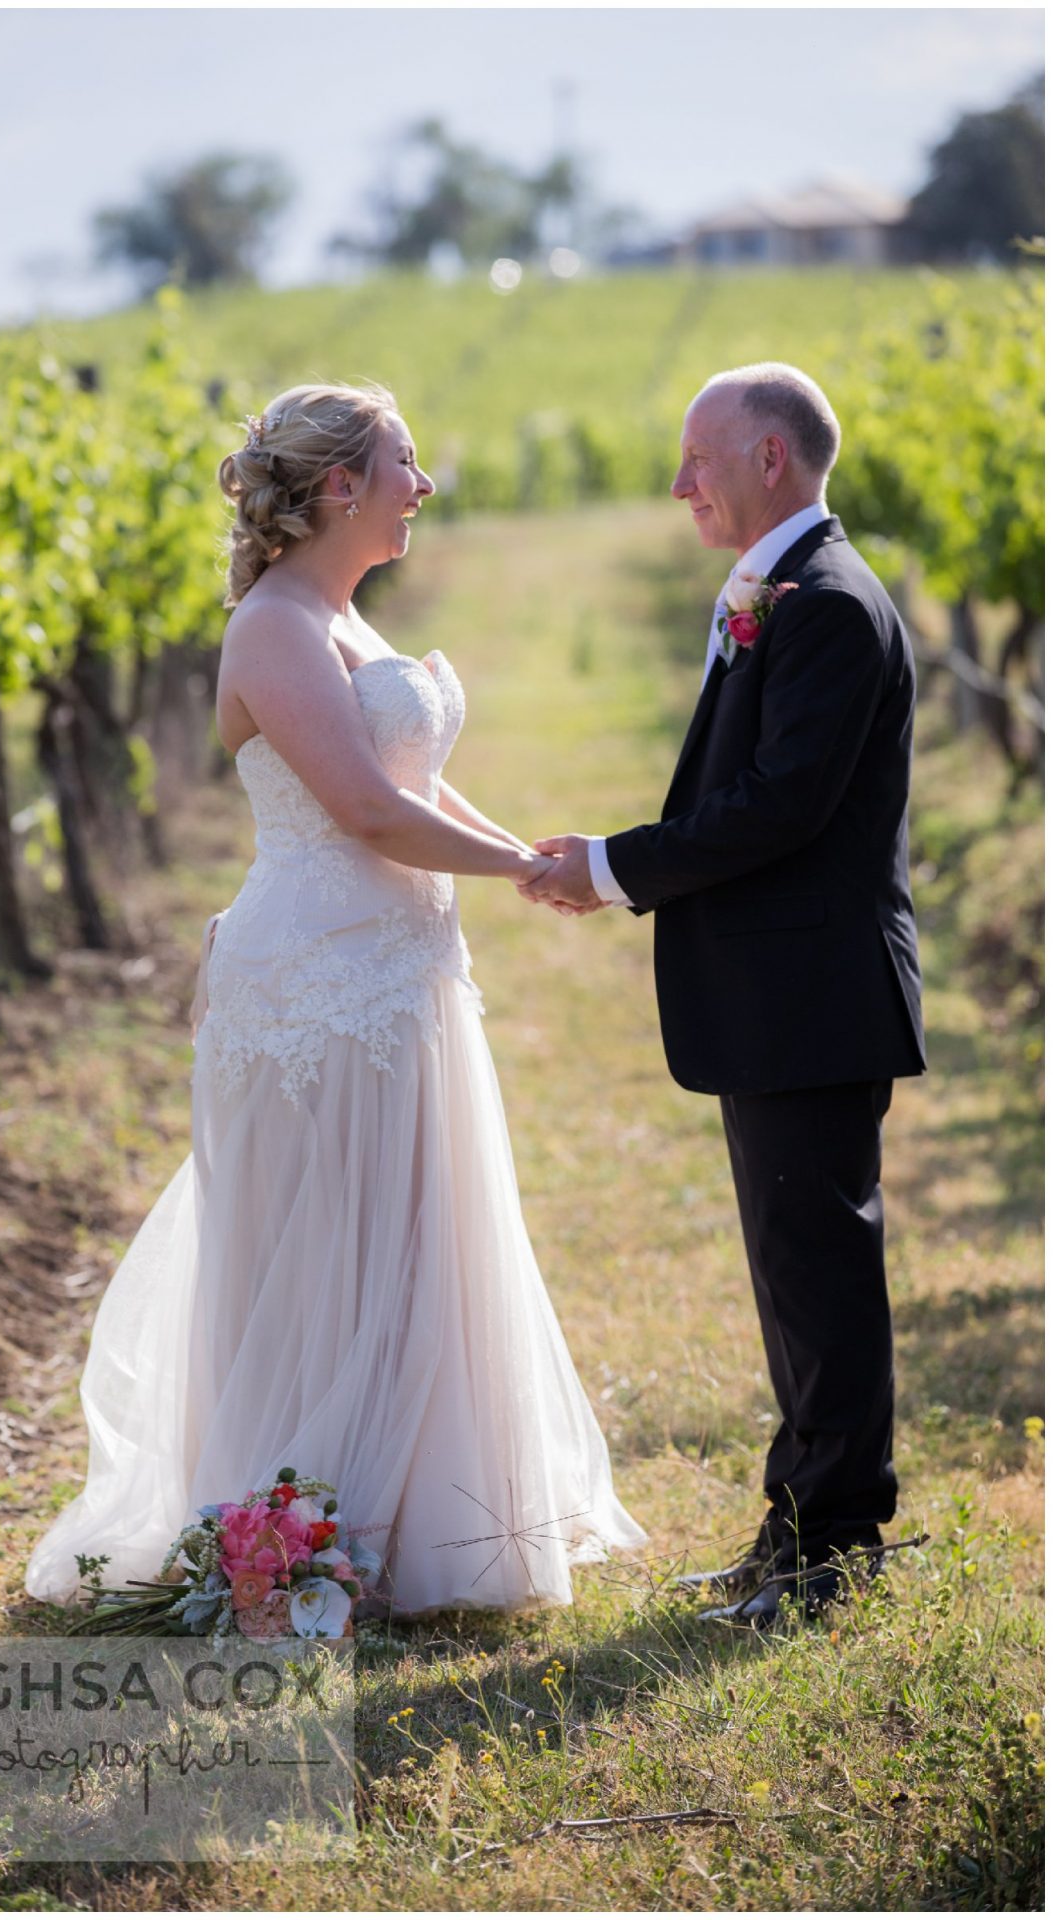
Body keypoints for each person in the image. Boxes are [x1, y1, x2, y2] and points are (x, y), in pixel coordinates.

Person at [25, 382, 645, 1618]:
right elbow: (363, 811)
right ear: (339, 487)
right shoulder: (272, 629)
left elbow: (414, 782)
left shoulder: (347, 621)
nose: (424, 486)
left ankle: (419, 1517)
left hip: (400, 972)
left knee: (414, 1235)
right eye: (405, 463)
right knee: (324, 1249)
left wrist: (534, 855)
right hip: (313, 987)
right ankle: (298, 1520)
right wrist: (528, 872)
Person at [521, 363, 925, 1627]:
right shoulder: (778, 591)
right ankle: (794, 1525)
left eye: (700, 457)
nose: (680, 481)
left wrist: (608, 868)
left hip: (811, 994)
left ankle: (835, 1551)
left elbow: (776, 810)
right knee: (791, 1274)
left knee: (822, 1271)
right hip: (777, 996)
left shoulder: (826, 606)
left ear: (770, 459)